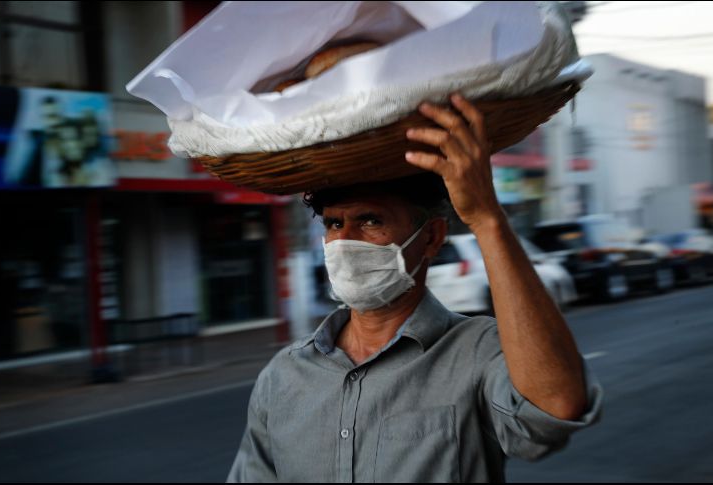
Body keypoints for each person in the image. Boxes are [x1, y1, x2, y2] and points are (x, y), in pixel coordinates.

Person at [227, 93, 602, 483]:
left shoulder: (478, 352)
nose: (344, 241)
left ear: (431, 237)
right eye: (334, 224)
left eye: (370, 221)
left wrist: (486, 218)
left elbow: (556, 407)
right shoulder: (283, 376)